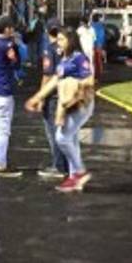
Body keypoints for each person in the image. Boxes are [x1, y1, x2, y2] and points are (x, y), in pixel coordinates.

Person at [27, 27, 95, 192]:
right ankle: (74, 178)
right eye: (58, 39)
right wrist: (37, 98)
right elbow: (54, 81)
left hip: (81, 104)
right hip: (69, 105)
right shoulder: (64, 59)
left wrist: (75, 87)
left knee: (62, 137)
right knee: (70, 139)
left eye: (62, 39)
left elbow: (90, 80)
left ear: (70, 41)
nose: (58, 42)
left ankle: (79, 172)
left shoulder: (79, 58)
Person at [25, 18, 69, 180]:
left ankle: (59, 166)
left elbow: (47, 75)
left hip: (54, 96)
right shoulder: (67, 47)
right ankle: (67, 164)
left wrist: (41, 97)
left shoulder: (49, 49)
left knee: (53, 132)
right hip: (67, 94)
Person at [0, 16, 22, 177]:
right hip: (4, 91)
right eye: (11, 27)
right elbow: (16, 63)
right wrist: (14, 45)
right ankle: (1, 165)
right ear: (6, 28)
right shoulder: (7, 45)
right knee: (4, 130)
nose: (13, 30)